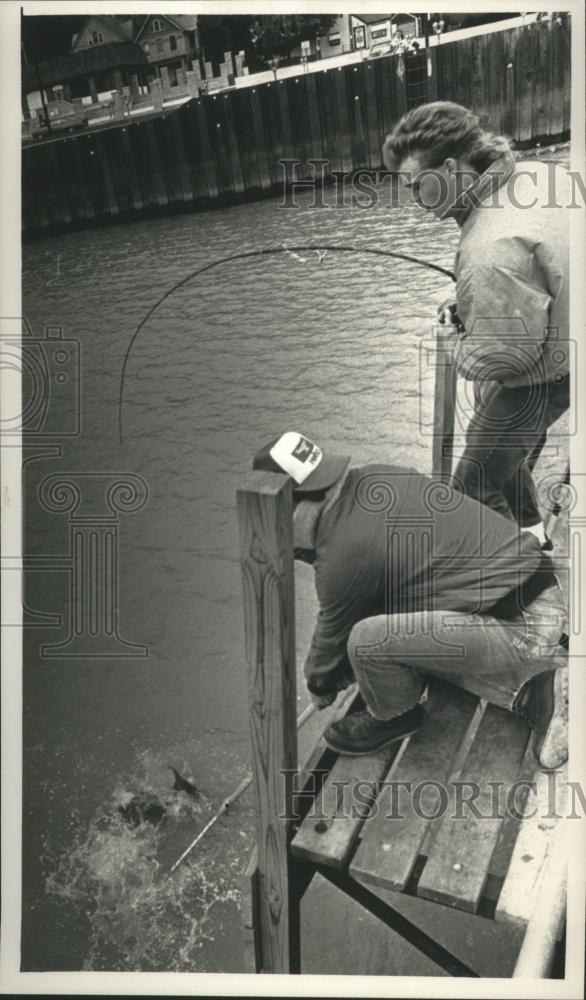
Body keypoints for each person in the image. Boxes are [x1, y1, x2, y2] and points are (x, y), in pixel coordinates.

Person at [253, 431, 568, 766]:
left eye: (279, 517)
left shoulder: (343, 554)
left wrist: (320, 686)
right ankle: (533, 693)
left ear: (302, 506)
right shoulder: (377, 476)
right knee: (403, 643)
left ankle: (394, 716)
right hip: (540, 592)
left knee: (365, 642)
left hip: (522, 627)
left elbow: (328, 649)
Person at [382, 102, 570, 549]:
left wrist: (455, 341)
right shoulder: (539, 175)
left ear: (449, 168)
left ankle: (527, 580)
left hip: (558, 370)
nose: (413, 201)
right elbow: (538, 270)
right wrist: (480, 303)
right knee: (489, 431)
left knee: (472, 485)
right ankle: (531, 532)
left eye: (416, 186)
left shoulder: (488, 246)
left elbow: (507, 359)